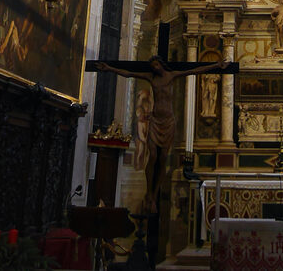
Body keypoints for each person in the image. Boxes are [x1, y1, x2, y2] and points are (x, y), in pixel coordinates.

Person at [95, 56, 229, 214]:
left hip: (168, 122)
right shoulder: (150, 77)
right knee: (152, 157)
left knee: (163, 157)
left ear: (161, 64)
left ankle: (155, 191)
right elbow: (129, 73)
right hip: (156, 121)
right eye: (152, 65)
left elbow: (194, 70)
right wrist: (109, 68)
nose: (155, 68)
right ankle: (149, 193)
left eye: (157, 64)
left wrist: (216, 65)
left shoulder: (171, 75)